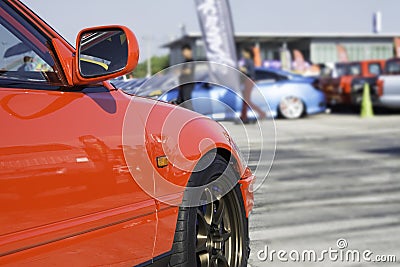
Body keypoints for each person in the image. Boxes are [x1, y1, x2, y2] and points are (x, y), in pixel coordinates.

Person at [239, 47, 266, 123]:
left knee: (246, 101)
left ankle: (244, 117)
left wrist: (244, 70)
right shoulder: (247, 61)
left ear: (248, 53)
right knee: (246, 100)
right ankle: (244, 116)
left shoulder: (249, 61)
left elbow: (251, 73)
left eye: (244, 52)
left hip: (249, 81)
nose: (243, 54)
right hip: (248, 81)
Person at [178, 44, 195, 110]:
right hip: (183, 84)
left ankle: (192, 117)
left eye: (185, 51)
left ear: (190, 51)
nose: (184, 53)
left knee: (186, 101)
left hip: (188, 84)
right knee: (181, 102)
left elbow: (188, 71)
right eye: (183, 52)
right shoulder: (185, 62)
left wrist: (180, 71)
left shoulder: (191, 61)